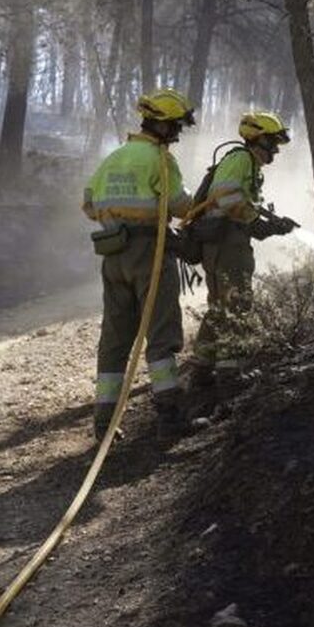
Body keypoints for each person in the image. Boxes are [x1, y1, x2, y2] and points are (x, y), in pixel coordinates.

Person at [82, 89, 195, 439]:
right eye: (175, 127)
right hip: (150, 252)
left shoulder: (113, 158)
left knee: (115, 338)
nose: (176, 135)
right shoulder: (160, 159)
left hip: (113, 255)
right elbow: (179, 206)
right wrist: (198, 206)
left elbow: (88, 204)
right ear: (161, 126)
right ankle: (170, 418)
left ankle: (104, 423)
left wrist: (119, 217)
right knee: (161, 333)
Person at [185, 111, 296, 405]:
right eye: (272, 144)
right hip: (227, 243)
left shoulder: (245, 164)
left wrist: (270, 226)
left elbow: (238, 207)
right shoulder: (241, 159)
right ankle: (229, 376)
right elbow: (227, 198)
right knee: (236, 304)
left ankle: (203, 370)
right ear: (258, 139)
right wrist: (257, 221)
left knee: (220, 307)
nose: (274, 151)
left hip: (223, 242)